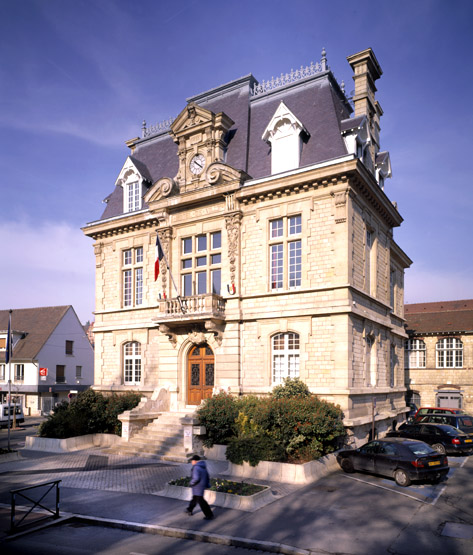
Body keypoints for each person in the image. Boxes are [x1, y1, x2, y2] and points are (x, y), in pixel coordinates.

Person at [185, 455, 214, 520]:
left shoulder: (196, 467)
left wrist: (191, 483)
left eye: (192, 460)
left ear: (195, 461)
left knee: (201, 501)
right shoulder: (203, 466)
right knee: (195, 498)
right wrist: (206, 484)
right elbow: (207, 476)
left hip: (197, 487)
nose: (191, 462)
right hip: (201, 486)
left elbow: (196, 478)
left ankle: (209, 515)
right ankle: (189, 509)